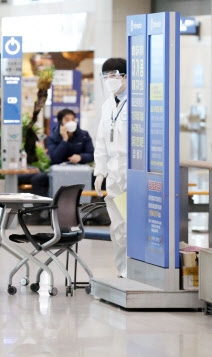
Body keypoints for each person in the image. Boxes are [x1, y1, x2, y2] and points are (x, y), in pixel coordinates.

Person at [94, 57, 128, 278]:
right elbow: (101, 142)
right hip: (114, 175)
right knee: (116, 227)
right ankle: (122, 269)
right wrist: (100, 172)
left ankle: (132, 269)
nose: (109, 80)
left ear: (125, 77)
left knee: (128, 225)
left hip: (130, 172)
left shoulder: (136, 103)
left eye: (113, 75)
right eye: (105, 76)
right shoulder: (108, 105)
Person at [30, 108, 94, 197]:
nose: (71, 122)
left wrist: (81, 157)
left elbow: (91, 154)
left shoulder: (84, 135)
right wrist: (64, 140)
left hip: (80, 170)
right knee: (37, 180)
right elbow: (54, 158)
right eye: (67, 120)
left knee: (100, 180)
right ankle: (44, 208)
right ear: (61, 122)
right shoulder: (53, 137)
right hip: (58, 171)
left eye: (73, 119)